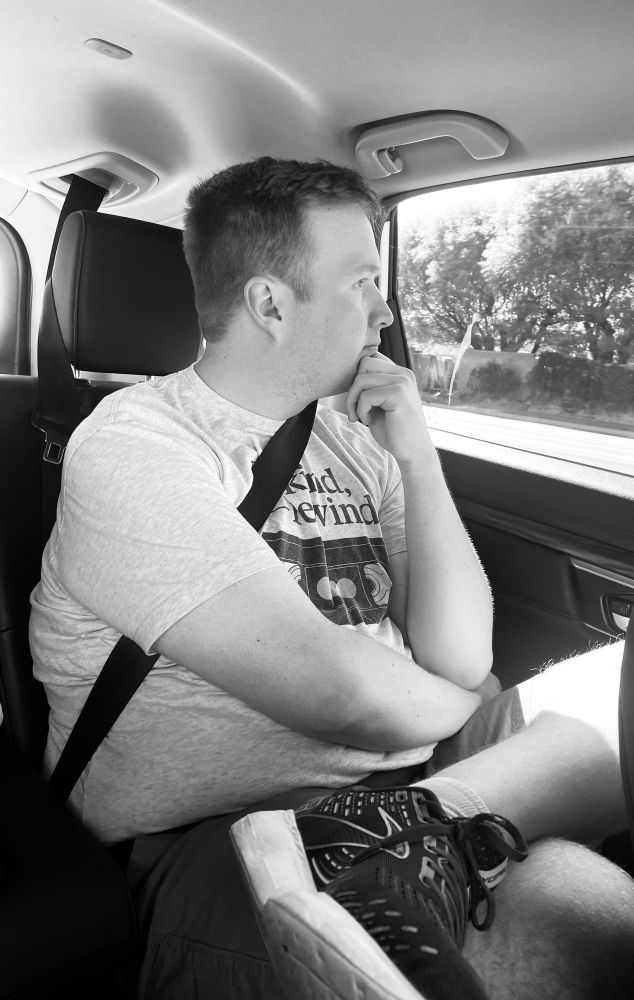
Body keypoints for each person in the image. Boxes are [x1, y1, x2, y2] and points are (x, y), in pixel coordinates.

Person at [29, 157, 634, 1000]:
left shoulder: (355, 439)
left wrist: (417, 455)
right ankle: (432, 835)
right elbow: (344, 696)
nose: (384, 312)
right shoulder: (136, 447)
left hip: (417, 775)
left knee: (618, 687)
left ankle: (423, 834)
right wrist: (465, 705)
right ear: (271, 303)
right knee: (576, 913)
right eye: (362, 283)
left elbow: (460, 657)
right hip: (236, 842)